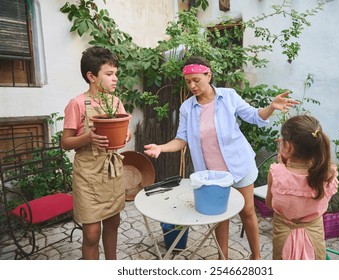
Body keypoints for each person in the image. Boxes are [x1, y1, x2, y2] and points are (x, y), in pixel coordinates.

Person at [144, 55, 299, 260]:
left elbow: (254, 116)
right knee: (220, 217)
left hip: (239, 165)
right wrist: (161, 148)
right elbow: (181, 140)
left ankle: (257, 257)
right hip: (212, 175)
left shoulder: (229, 96)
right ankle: (222, 260)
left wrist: (271, 107)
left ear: (208, 75)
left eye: (196, 80)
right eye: (188, 81)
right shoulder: (186, 108)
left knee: (247, 211)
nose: (192, 85)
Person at [61, 46, 130, 260]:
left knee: (113, 223)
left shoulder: (115, 102)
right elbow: (65, 142)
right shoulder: (77, 104)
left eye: (115, 73)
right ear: (91, 76)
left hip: (112, 172)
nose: (115, 79)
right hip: (88, 175)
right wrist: (88, 137)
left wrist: (125, 136)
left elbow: (123, 129)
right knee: (91, 234)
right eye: (109, 74)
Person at [265, 115, 339, 260]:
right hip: (314, 235)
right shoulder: (328, 174)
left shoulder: (276, 173)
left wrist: (282, 165)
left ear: (287, 146)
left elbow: (270, 204)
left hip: (283, 234)